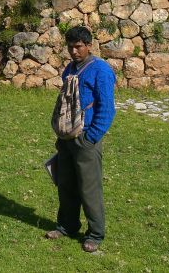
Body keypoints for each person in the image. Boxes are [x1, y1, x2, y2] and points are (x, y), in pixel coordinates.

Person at [45, 26, 116, 253]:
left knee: (89, 188)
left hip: (86, 138)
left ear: (89, 46)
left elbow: (107, 108)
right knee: (65, 184)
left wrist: (92, 136)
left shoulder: (101, 70)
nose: (74, 51)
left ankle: (95, 233)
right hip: (67, 138)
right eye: (71, 47)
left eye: (79, 47)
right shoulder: (70, 69)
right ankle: (67, 225)